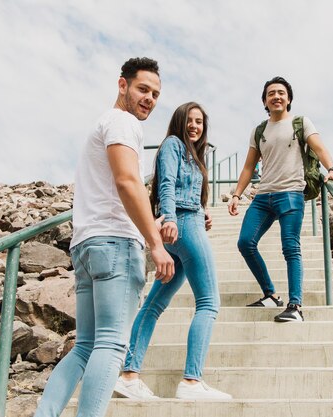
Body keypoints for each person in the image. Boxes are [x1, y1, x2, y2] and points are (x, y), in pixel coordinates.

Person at [34, 57, 175, 417]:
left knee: (85, 347)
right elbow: (127, 182)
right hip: (114, 245)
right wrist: (155, 244)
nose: (150, 99)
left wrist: (151, 225)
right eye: (143, 89)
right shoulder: (123, 122)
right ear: (122, 84)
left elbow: (116, 190)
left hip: (87, 244)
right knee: (111, 344)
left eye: (156, 94)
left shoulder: (103, 124)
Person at [114, 102, 232, 400]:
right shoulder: (172, 144)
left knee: (154, 305)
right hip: (181, 224)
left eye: (200, 122)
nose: (195, 126)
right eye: (190, 120)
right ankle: (191, 382)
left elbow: (184, 188)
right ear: (179, 121)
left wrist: (203, 210)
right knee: (209, 302)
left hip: (187, 221)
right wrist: (168, 218)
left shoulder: (193, 154)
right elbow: (165, 183)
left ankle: (129, 376)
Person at [228, 76, 333, 323]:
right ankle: (270, 294)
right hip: (263, 196)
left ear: (288, 99)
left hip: (290, 194)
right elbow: (249, 167)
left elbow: (319, 148)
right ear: (265, 101)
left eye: (281, 93)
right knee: (245, 242)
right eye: (271, 94)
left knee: (291, 248)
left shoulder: (300, 123)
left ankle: (295, 306)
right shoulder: (259, 130)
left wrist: (332, 169)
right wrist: (237, 194)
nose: (276, 96)